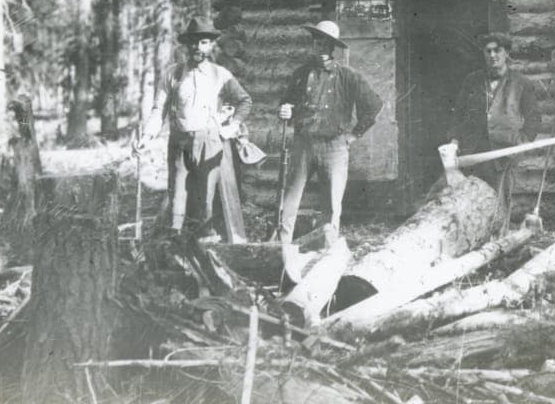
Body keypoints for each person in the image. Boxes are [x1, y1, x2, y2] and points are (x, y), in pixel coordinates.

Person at [133, 17, 253, 242]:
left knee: (206, 198)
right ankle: (176, 244)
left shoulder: (220, 74)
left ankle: (206, 244)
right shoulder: (174, 74)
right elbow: (159, 108)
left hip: (209, 141)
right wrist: (147, 136)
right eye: (194, 42)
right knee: (177, 196)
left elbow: (245, 101)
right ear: (187, 45)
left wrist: (232, 126)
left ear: (211, 45)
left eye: (204, 42)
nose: (198, 47)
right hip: (179, 142)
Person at [276, 20, 383, 246]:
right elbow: (286, 103)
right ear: (312, 43)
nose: (321, 46)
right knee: (289, 201)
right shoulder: (300, 74)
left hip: (334, 147)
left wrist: (354, 135)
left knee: (332, 205)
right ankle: (281, 248)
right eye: (317, 41)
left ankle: (327, 250)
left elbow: (374, 105)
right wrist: (285, 110)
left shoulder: (348, 75)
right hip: (303, 145)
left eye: (326, 42)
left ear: (333, 46)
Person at [448, 32, 542, 235]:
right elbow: (458, 114)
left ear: (506, 53)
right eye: (488, 51)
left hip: (503, 153)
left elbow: (534, 119)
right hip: (473, 151)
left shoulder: (521, 83)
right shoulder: (472, 81)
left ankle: (498, 243)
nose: (492, 55)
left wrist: (521, 143)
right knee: (470, 200)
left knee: (499, 202)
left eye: (497, 50)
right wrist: (455, 141)